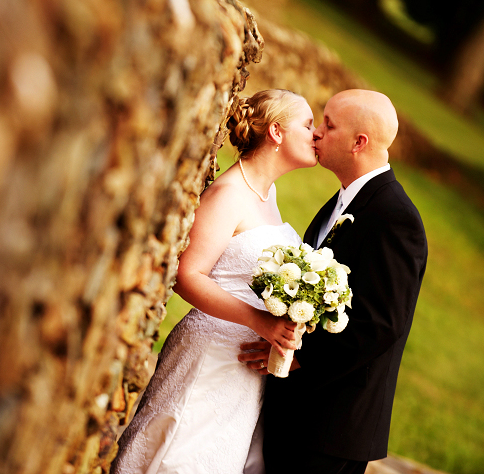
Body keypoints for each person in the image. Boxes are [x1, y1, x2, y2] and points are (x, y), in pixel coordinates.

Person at [111, 89, 317, 474]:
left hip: (243, 369)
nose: (317, 134)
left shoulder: (267, 194)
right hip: (210, 356)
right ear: (276, 131)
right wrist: (259, 322)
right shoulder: (228, 194)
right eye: (307, 125)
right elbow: (187, 275)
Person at [239, 89, 428, 474]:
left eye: (328, 124)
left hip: (332, 426)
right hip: (301, 413)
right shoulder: (342, 200)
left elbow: (381, 325)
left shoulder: (395, 217)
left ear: (360, 142)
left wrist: (298, 358)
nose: (317, 133)